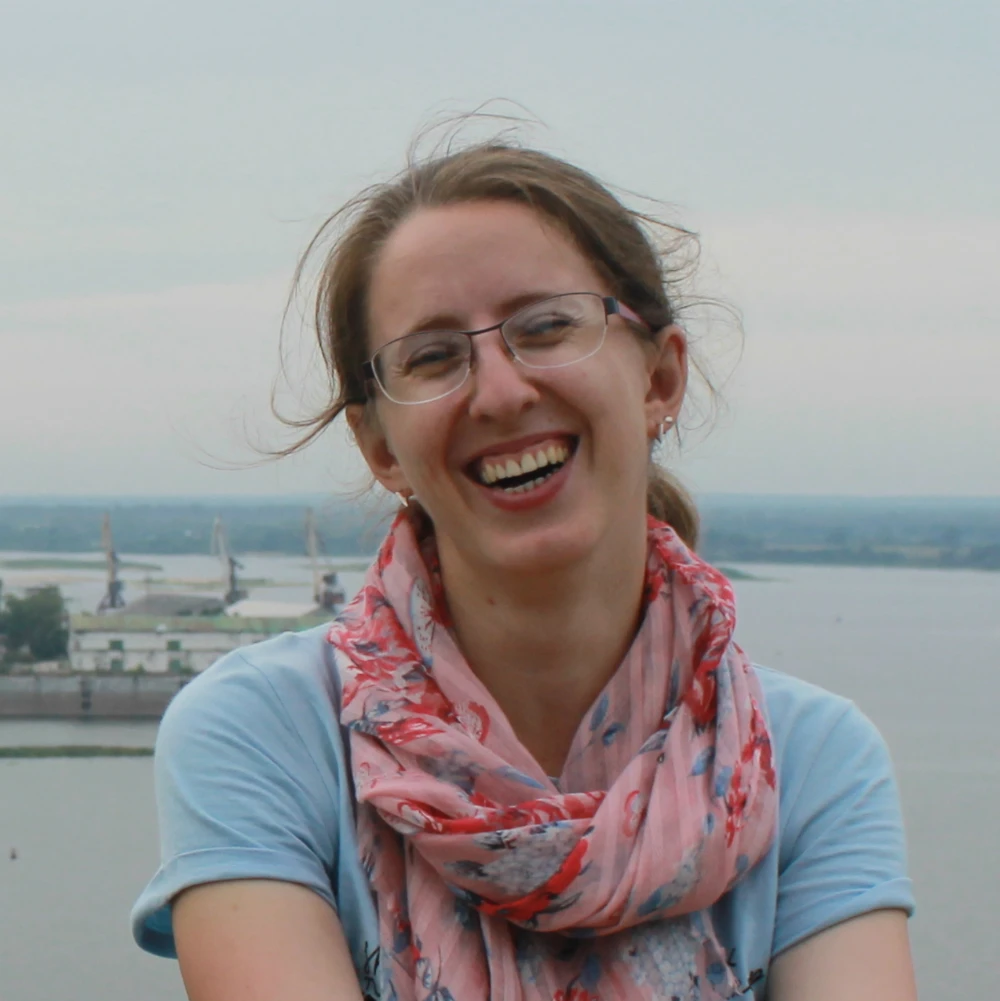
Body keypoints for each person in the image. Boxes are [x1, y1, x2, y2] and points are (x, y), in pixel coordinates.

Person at [131, 133, 917, 1001]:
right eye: (434, 356)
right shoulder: (270, 733)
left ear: (659, 378)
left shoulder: (805, 761)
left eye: (546, 328)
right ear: (379, 446)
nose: (502, 392)